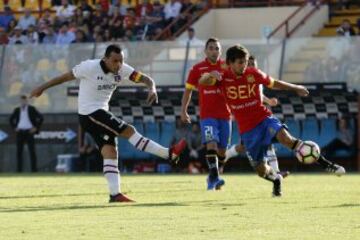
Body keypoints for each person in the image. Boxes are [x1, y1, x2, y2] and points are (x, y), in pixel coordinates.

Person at [30, 44, 186, 203]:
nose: (118, 64)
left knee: (110, 152)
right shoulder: (89, 67)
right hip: (90, 113)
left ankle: (115, 194)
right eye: (115, 61)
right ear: (105, 59)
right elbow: (65, 77)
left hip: (99, 113)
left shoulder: (123, 69)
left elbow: (145, 78)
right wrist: (42, 87)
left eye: (121, 60)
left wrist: (152, 88)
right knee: (129, 130)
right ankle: (168, 154)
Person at [200, 44, 345, 197]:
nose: (244, 66)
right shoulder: (222, 77)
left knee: (286, 139)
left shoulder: (253, 74)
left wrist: (295, 87)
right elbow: (203, 82)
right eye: (240, 62)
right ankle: (276, 179)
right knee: (261, 171)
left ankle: (325, 164)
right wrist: (210, 75)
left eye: (245, 61)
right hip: (248, 130)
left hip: (264, 119)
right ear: (230, 63)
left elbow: (274, 83)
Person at [224, 55, 289, 178]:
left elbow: (259, 96)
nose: (252, 66)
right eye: (250, 64)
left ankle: (276, 171)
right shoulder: (242, 80)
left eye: (254, 64)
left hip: (259, 118)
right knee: (242, 147)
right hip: (248, 121)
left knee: (268, 142)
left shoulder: (257, 78)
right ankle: (227, 154)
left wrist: (268, 101)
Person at [9, 95, 43, 172]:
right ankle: (19, 170)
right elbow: (11, 119)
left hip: (29, 132)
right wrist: (15, 127)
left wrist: (35, 128)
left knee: (32, 151)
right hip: (20, 132)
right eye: (22, 101)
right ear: (20, 101)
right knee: (19, 152)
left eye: (24, 101)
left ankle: (34, 170)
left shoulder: (32, 109)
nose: (23, 102)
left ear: (27, 101)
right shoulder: (17, 110)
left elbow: (41, 118)